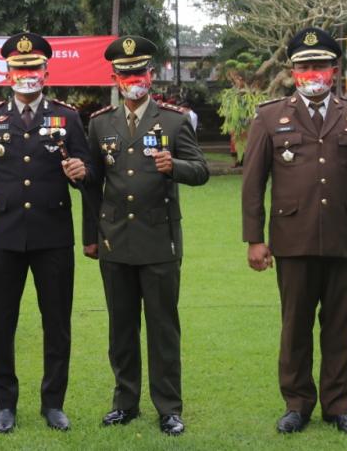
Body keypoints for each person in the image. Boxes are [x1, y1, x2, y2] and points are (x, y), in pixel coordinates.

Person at [241, 27, 347, 439]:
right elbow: (252, 182)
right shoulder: (269, 116)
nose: (311, 72)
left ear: (335, 70)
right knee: (295, 324)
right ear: (292, 71)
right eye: (303, 66)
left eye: (319, 65)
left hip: (342, 236)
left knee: (339, 326)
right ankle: (297, 404)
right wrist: (255, 239)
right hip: (292, 237)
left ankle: (339, 407)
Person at [0, 33, 92, 434]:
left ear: (46, 72)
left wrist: (81, 173)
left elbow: (87, 171)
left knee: (57, 323)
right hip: (4, 237)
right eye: (19, 68)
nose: (26, 75)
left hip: (53, 235)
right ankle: (5, 403)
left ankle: (53, 403)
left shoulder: (67, 117)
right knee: (2, 325)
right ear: (6, 72)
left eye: (33, 68)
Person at [83, 36, 209, 437]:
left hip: (159, 240)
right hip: (115, 239)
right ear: (115, 78)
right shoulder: (100, 122)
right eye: (126, 74)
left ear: (151, 75)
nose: (133, 80)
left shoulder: (173, 120)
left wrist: (174, 166)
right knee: (121, 328)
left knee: (162, 327)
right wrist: (90, 235)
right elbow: (93, 182)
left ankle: (169, 407)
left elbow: (201, 170)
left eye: (140, 73)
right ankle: (124, 402)